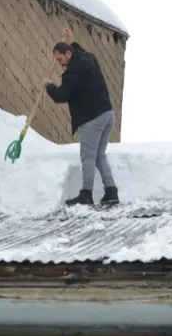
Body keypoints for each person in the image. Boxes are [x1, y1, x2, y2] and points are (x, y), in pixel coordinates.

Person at [43, 27, 119, 206]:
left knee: (88, 156)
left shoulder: (73, 72)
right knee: (99, 155)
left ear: (68, 54)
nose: (61, 64)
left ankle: (86, 194)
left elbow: (61, 95)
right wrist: (72, 42)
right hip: (107, 114)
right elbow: (80, 52)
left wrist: (48, 86)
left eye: (61, 59)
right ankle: (111, 191)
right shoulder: (88, 58)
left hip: (92, 117)